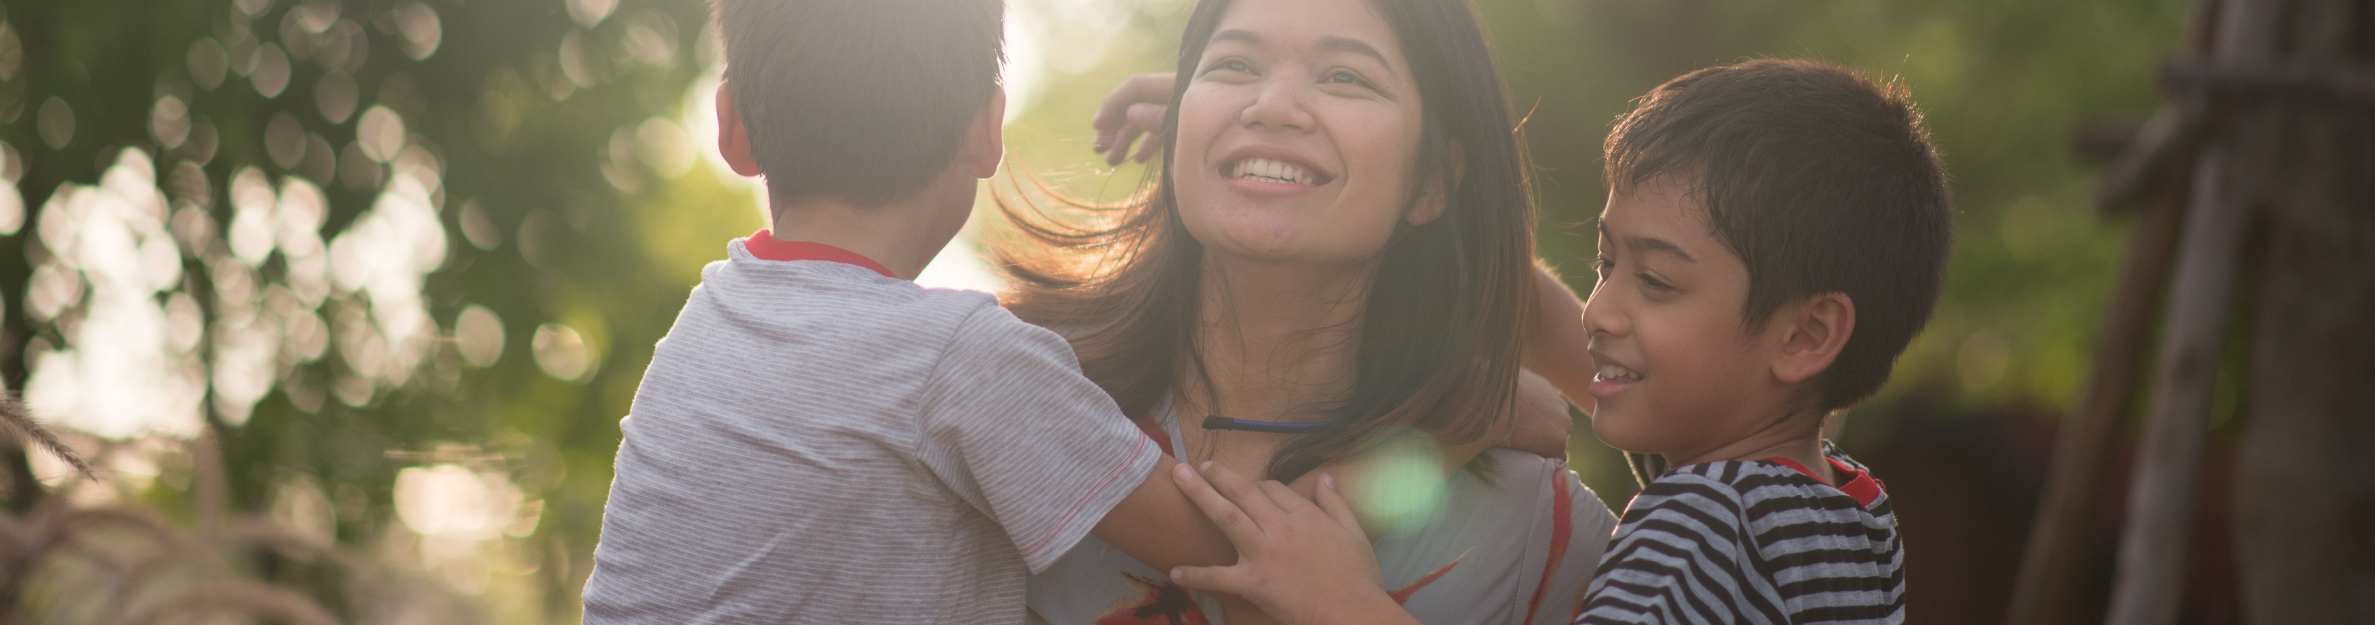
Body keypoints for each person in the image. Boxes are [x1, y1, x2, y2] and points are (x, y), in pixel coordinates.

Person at [1156, 59, 1951, 625]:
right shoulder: (1837, 504)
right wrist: (1272, 139)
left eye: (1657, 282)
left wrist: (1344, 605)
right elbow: (1527, 308)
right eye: (1605, 264)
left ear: (1805, 334)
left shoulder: (1700, 525)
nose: (1598, 311)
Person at [577, 1, 1247, 622]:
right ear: (987, 131)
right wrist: (1223, 119)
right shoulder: (962, 359)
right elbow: (1234, 549)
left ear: (731, 130)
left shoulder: (706, 322)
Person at [1000, 0, 1620, 622]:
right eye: (1234, 64)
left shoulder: (1537, 533)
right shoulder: (1006, 390)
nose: (1270, 105)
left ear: (1432, 179)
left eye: (1345, 77)